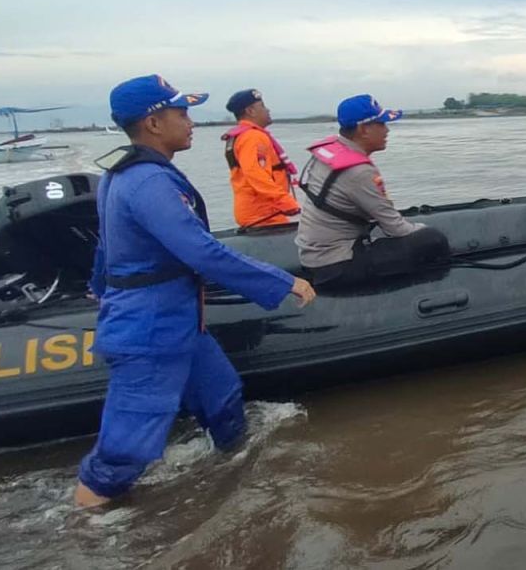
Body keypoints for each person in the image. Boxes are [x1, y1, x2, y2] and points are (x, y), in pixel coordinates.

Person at [75, 75, 316, 508]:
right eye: (181, 113)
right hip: (149, 329)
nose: (191, 122)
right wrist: (282, 281)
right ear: (153, 123)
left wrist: (97, 287)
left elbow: (106, 246)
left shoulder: (125, 174)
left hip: (180, 321)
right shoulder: (147, 181)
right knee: (122, 454)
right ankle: (86, 529)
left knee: (221, 399)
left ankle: (239, 488)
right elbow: (200, 250)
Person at [295, 94, 449, 288]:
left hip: (315, 256)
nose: (387, 130)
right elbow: (396, 229)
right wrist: (424, 228)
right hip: (336, 265)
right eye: (382, 124)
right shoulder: (358, 173)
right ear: (363, 129)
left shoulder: (330, 153)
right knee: (432, 240)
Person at [221, 89, 301, 228]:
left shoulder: (242, 136)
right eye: (263, 106)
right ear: (250, 111)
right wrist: (285, 201)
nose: (268, 110)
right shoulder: (253, 137)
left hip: (259, 213)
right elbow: (255, 173)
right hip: (264, 215)